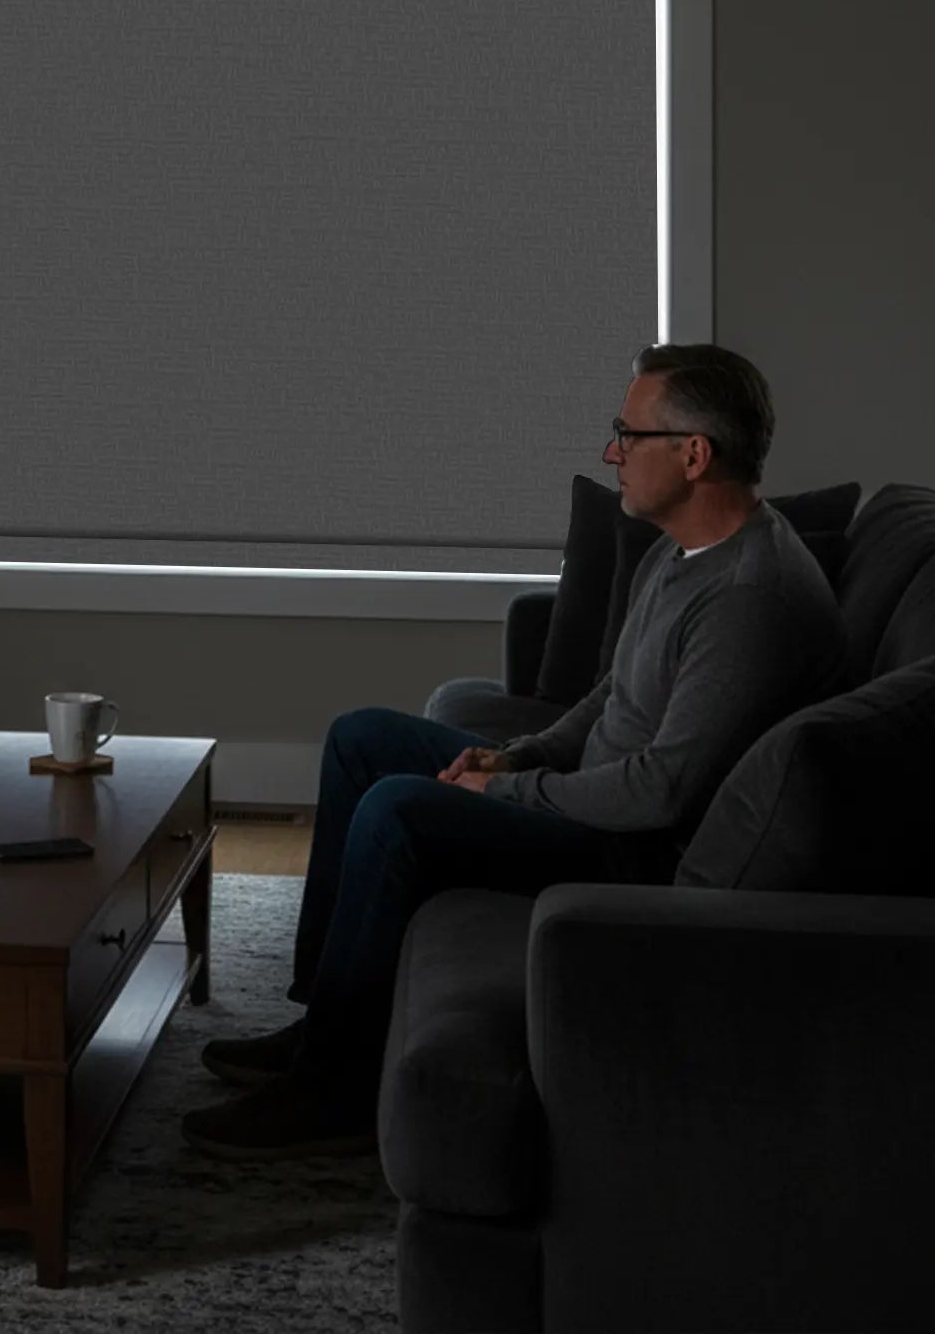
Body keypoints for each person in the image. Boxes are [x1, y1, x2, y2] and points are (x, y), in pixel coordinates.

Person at [182, 343, 847, 1160]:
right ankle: (329, 1021)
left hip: (630, 852)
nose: (613, 454)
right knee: (363, 739)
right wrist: (521, 755)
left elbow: (661, 790)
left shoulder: (752, 598)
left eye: (628, 435)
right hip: (591, 795)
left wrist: (507, 798)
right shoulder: (686, 550)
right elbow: (611, 693)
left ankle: (336, 1091)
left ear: (694, 454)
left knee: (399, 809)